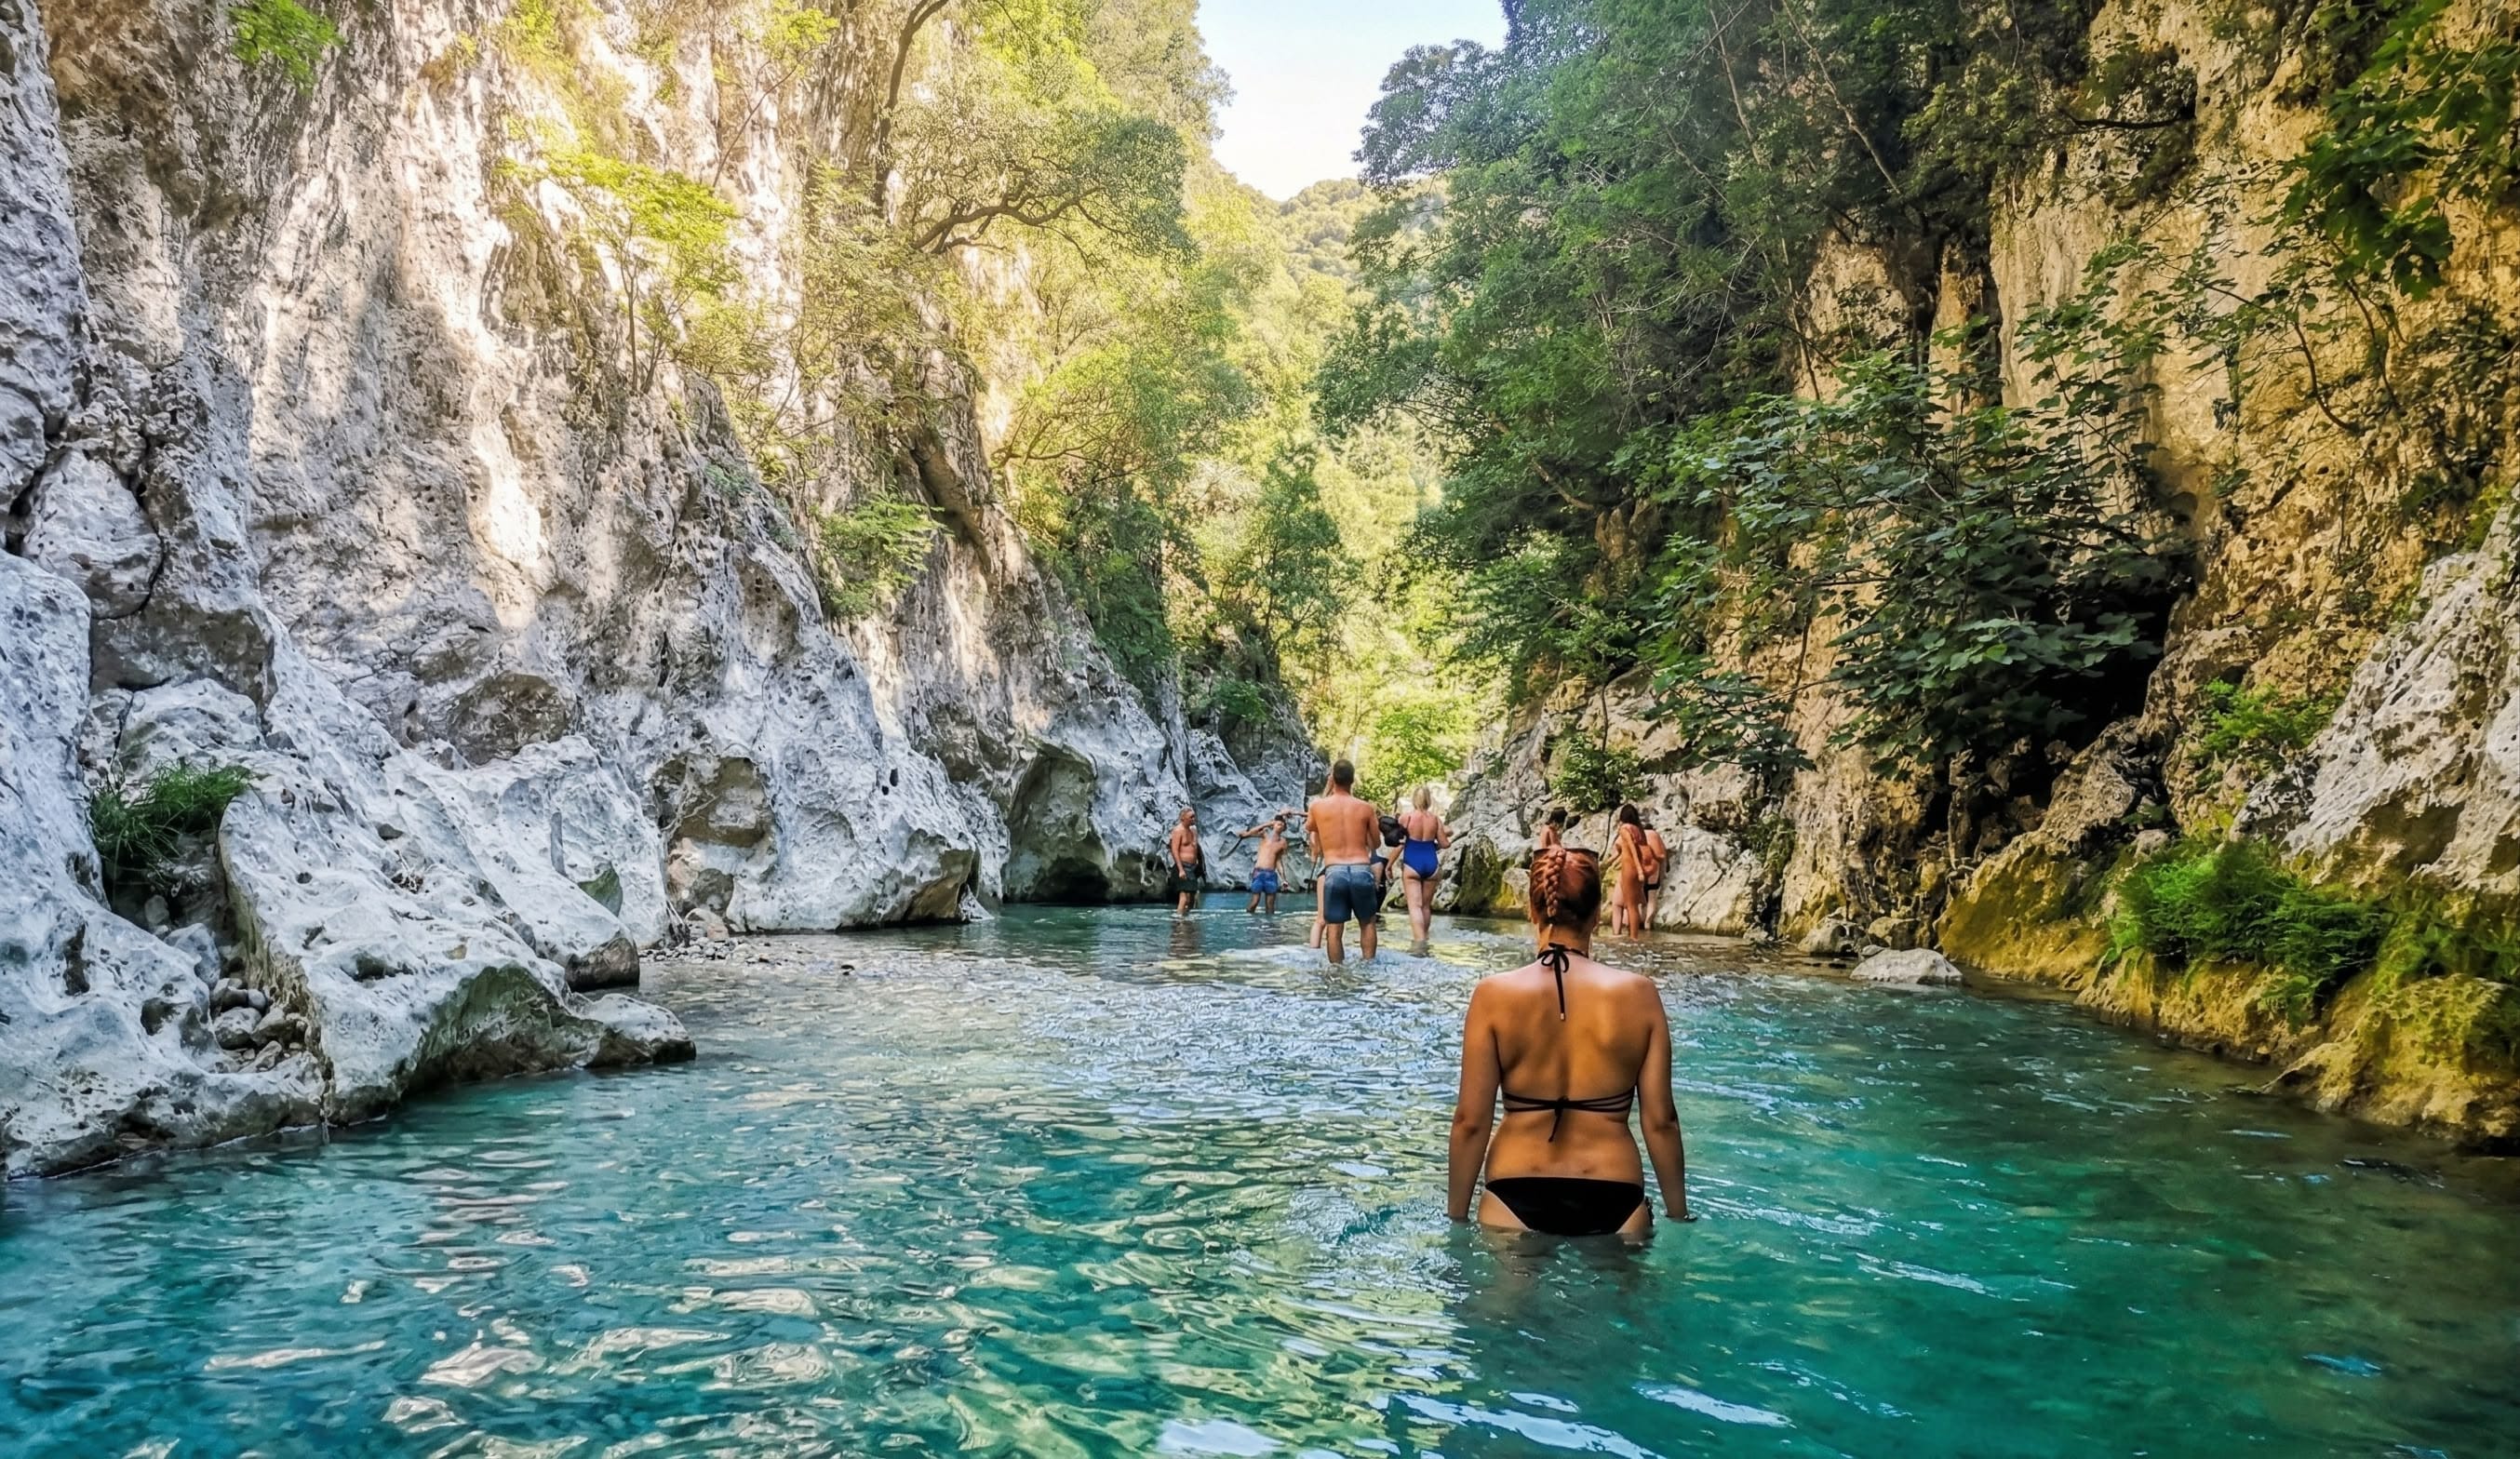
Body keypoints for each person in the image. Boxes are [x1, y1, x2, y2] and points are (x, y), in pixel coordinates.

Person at [1448, 847, 1691, 1236]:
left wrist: (1455, 1216)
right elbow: (1661, 1121)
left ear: (1533, 910)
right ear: (1598, 915)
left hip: (1514, 1191)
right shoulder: (1640, 995)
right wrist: (1680, 1215)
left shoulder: (1492, 995)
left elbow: (1470, 1122)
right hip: (1615, 1192)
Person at [1307, 760, 1383, 964]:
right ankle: (1368, 967)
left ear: (1333, 778)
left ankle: (1337, 974)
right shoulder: (1365, 808)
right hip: (1361, 868)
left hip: (1334, 870)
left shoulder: (1318, 807)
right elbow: (1376, 843)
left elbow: (1312, 828)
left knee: (1334, 928)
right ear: (1352, 779)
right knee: (1367, 923)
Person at [1395, 787, 1451, 951]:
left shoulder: (1407, 817)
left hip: (1413, 863)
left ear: (1414, 799)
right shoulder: (1435, 819)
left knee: (1415, 906)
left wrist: (1389, 865)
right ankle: (1425, 937)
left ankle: (1419, 942)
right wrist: (1449, 833)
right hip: (1431, 863)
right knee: (1426, 906)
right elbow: (1445, 844)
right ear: (1428, 800)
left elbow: (1397, 843)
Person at [1235, 814, 1294, 914]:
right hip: (1259, 873)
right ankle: (1248, 921)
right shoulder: (1265, 834)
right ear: (1273, 825)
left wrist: (1284, 879)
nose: (1280, 826)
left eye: (1282, 825)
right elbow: (1251, 832)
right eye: (1278, 824)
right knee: (1254, 902)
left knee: (1270, 906)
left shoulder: (1283, 842)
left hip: (1271, 875)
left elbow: (1278, 861)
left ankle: (1269, 927)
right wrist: (1268, 824)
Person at [1609, 804, 1648, 938]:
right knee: (1632, 904)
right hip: (1636, 869)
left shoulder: (1624, 829)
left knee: (1631, 905)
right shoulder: (1639, 830)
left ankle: (1633, 937)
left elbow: (1632, 848)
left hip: (1629, 868)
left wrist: (1638, 869)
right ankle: (1631, 935)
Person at [1168, 807, 1205, 917]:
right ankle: (1179, 919)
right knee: (1184, 896)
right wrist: (1180, 869)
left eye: (1194, 816)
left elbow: (1195, 848)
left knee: (1192, 897)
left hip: (1193, 867)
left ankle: (1187, 916)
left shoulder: (1193, 830)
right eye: (1191, 817)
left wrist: (1199, 863)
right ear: (1183, 818)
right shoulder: (1178, 830)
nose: (1194, 819)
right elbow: (1174, 850)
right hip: (1183, 866)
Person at [1638, 815, 1670, 930]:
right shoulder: (1655, 835)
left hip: (1640, 867)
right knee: (1651, 897)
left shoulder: (1638, 835)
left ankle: (1639, 922)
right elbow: (1663, 854)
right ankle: (1647, 923)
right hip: (1653, 866)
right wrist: (1664, 873)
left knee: (1640, 898)